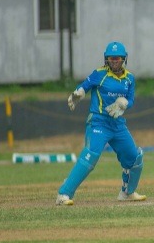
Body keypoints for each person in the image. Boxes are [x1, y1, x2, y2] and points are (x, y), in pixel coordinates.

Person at [56, 41, 146, 205]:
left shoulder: (130, 78)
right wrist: (79, 93)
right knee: (91, 155)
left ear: (124, 59)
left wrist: (124, 103)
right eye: (111, 59)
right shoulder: (99, 74)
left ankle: (127, 193)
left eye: (117, 59)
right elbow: (85, 85)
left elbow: (131, 100)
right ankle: (64, 194)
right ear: (106, 60)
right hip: (98, 122)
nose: (114, 62)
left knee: (134, 159)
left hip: (117, 124)